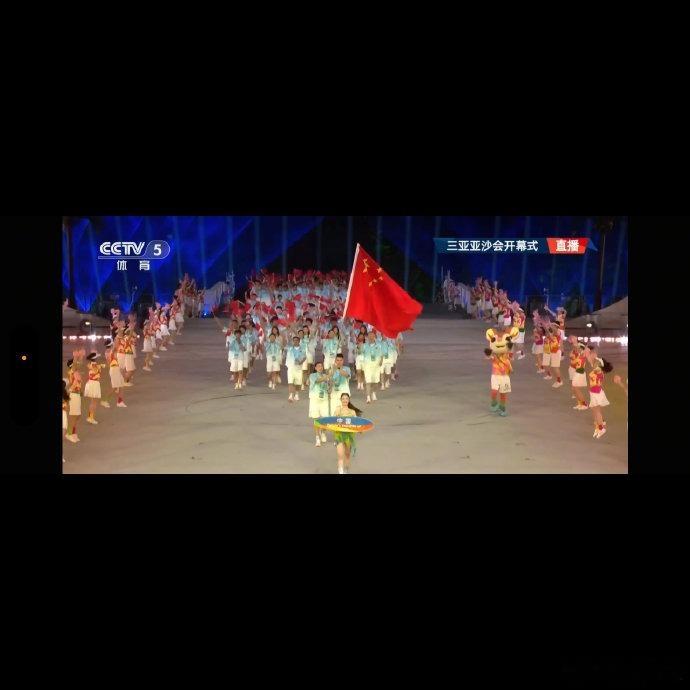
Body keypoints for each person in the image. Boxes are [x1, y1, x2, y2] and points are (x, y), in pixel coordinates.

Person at [484, 326, 518, 417]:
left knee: (503, 394)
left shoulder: (507, 353)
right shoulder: (493, 353)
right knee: (494, 392)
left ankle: (502, 408)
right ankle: (494, 402)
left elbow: (509, 358)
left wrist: (511, 369)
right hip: (495, 374)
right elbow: (488, 357)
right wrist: (489, 356)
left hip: (505, 375)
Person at [586, 346, 614, 439]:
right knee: (595, 410)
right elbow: (591, 359)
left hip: (596, 392)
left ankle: (601, 428)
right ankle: (599, 426)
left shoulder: (598, 370)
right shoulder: (597, 368)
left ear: (600, 365)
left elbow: (592, 358)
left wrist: (592, 354)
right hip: (595, 391)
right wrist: (590, 352)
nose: (595, 362)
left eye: (597, 362)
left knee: (596, 410)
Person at [332, 393, 363, 474]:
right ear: (341, 400)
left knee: (347, 454)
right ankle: (340, 471)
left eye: (346, 398)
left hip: (349, 436)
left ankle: (345, 470)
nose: (345, 400)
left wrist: (359, 429)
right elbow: (333, 420)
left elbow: (356, 423)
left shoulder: (352, 412)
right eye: (343, 398)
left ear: (349, 400)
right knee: (340, 455)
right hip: (339, 435)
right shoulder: (338, 409)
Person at [308, 360, 330, 447]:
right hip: (315, 400)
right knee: (316, 419)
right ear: (315, 368)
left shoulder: (325, 376)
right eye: (318, 366)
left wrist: (329, 387)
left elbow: (328, 387)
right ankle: (317, 438)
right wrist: (328, 376)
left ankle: (323, 432)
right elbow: (317, 381)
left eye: (321, 366)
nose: (320, 368)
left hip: (324, 399)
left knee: (325, 418)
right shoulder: (312, 376)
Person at [83, 352, 106, 424]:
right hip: (94, 384)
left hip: (92, 383)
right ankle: (91, 418)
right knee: (94, 402)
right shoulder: (94, 365)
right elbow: (96, 370)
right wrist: (100, 366)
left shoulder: (91, 364)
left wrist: (100, 366)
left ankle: (90, 417)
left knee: (93, 402)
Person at [362, 331, 383, 404]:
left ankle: (374, 393)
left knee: (376, 382)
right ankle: (368, 397)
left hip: (376, 366)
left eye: (372, 335)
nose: (371, 337)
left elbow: (382, 355)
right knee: (368, 382)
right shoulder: (364, 345)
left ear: (375, 337)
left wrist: (381, 361)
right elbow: (360, 353)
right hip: (367, 366)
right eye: (369, 336)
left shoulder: (379, 345)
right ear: (367, 337)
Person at [65, 357, 83, 443]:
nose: (77, 364)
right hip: (74, 395)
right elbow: (76, 381)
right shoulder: (73, 372)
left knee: (77, 415)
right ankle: (69, 434)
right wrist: (70, 390)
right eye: (75, 363)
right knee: (74, 416)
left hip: (77, 394)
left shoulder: (74, 372)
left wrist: (80, 391)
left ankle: (73, 432)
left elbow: (77, 382)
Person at [285, 335, 306, 402]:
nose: (295, 342)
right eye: (294, 341)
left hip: (298, 368)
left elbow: (305, 357)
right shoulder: (290, 348)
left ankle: (296, 394)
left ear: (299, 341)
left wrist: (301, 362)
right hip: (291, 367)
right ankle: (291, 395)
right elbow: (283, 346)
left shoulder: (302, 349)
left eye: (296, 340)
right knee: (290, 382)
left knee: (298, 383)